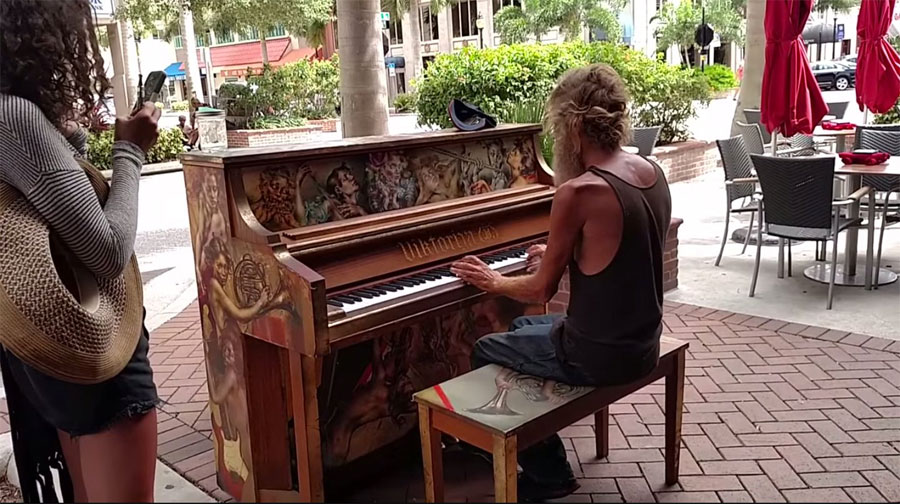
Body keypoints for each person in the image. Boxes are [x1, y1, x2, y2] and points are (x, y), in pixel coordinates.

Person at [451, 63, 672, 501]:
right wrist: (565, 254)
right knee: (517, 330)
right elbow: (622, 255)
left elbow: (538, 292)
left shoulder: (580, 192)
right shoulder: (651, 171)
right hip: (642, 341)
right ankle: (521, 442)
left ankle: (548, 471)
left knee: (484, 349)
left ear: (573, 129)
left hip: (597, 354)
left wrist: (493, 280)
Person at [0, 0, 161, 501]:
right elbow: (108, 249)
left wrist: (68, 140)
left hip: (42, 344)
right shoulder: (13, 118)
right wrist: (131, 150)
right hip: (95, 350)